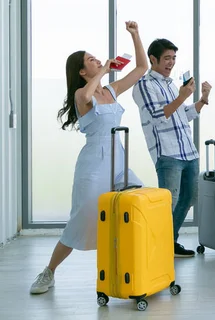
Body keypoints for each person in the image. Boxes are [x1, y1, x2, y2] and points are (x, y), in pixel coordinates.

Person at [30, 21, 148, 294]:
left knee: (136, 203)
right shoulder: (82, 95)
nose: (98, 60)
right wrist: (104, 71)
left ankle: (130, 269)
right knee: (80, 221)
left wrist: (135, 35)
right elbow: (84, 93)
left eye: (97, 59)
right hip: (94, 163)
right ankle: (48, 272)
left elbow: (141, 68)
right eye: (91, 60)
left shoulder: (111, 91)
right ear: (83, 71)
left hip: (119, 159)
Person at [132, 38, 212, 258]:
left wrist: (202, 100)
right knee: (168, 203)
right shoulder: (144, 85)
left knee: (191, 197)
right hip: (167, 154)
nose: (171, 63)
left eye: (174, 58)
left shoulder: (169, 84)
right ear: (153, 59)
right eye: (167, 58)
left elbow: (182, 115)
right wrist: (182, 96)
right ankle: (157, 247)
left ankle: (169, 241)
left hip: (188, 151)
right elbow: (159, 116)